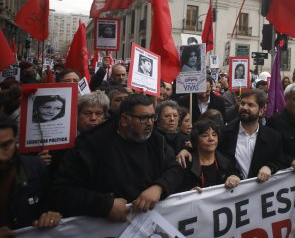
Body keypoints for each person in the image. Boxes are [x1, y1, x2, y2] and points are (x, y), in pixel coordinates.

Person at [49, 94, 183, 221]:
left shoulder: (157, 141)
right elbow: (62, 191)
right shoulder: (91, 145)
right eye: (143, 118)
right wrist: (105, 205)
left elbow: (174, 170)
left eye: (152, 117)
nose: (149, 123)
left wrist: (159, 187)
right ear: (124, 120)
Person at [0, 114, 62, 232]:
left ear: (15, 142)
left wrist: (52, 216)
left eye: (6, 145)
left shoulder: (36, 168)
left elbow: (53, 203)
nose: (1, 156)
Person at [218, 89, 288, 181]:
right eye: (242, 103)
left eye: (250, 105)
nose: (244, 107)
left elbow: (280, 160)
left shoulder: (273, 137)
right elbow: (220, 161)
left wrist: (269, 167)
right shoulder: (224, 134)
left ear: (261, 111)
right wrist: (232, 174)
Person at [180, 120, 240, 191]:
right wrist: (189, 192)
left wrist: (235, 176)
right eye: (205, 135)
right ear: (196, 140)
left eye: (214, 135)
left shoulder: (227, 161)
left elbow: (236, 174)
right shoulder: (186, 164)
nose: (211, 139)